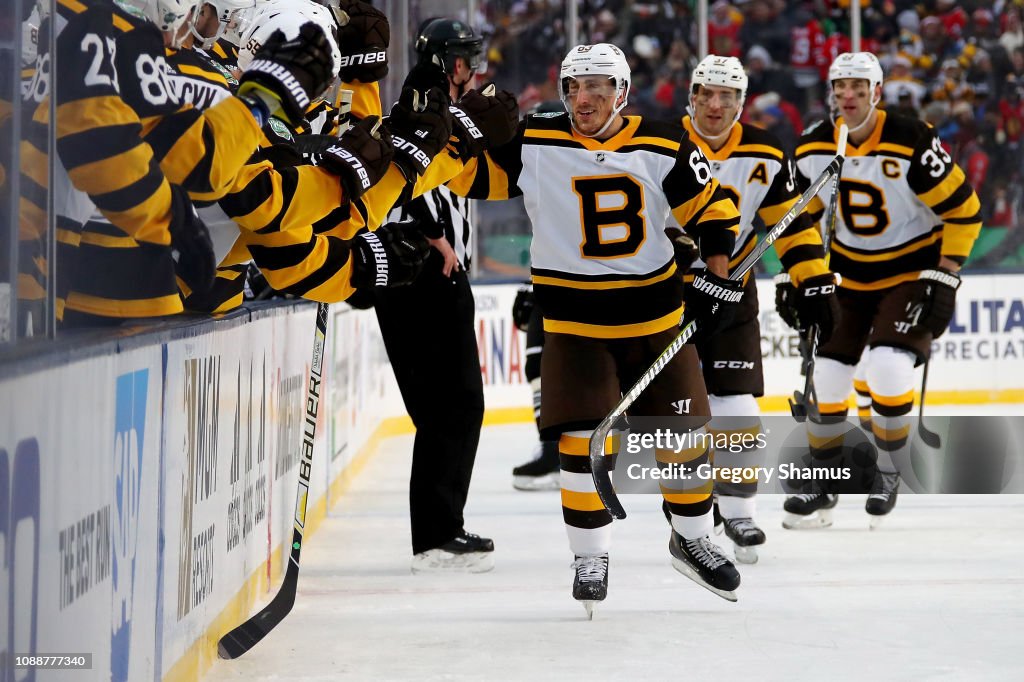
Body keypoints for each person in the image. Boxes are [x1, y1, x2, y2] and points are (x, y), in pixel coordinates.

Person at [448, 43, 745, 613]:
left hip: (657, 317)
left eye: (598, 87)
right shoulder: (533, 141)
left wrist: (717, 278)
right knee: (581, 445)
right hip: (574, 322)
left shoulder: (661, 141)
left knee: (682, 442)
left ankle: (693, 538)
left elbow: (714, 212)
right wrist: (454, 127)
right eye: (573, 87)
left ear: (622, 92)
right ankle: (590, 553)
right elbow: (466, 179)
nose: (583, 99)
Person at [781, 52, 982, 529]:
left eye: (858, 87)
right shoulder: (814, 146)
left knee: (890, 366)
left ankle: (888, 470)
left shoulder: (912, 139)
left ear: (876, 91)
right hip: (847, 276)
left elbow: (964, 209)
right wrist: (799, 275)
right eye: (840, 87)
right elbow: (796, 222)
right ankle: (826, 479)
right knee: (827, 376)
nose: (847, 96)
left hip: (910, 271)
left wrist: (947, 272)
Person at [373, 18, 519, 572]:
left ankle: (439, 531)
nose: (474, 68)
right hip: (423, 278)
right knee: (451, 409)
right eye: (467, 57)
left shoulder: (440, 108)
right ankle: (436, 536)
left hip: (429, 278)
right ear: (447, 62)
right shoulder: (426, 105)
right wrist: (435, 238)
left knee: (450, 410)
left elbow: (456, 175)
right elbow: (404, 174)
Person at [678, 55, 836, 562]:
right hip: (665, 290)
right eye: (707, 94)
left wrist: (813, 283)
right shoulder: (663, 142)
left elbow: (788, 225)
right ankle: (689, 514)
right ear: (692, 97)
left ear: (742, 103)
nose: (716, 105)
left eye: (727, 96)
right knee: (677, 410)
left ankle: (739, 511)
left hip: (730, 288)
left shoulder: (765, 151)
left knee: (739, 406)